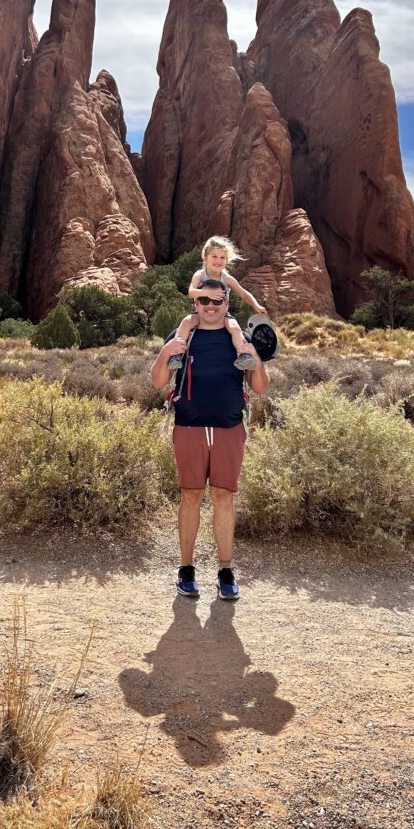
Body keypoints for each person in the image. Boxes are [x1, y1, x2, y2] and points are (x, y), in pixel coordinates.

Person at [151, 278, 269, 601]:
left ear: (227, 305)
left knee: (223, 496)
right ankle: (186, 569)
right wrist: (165, 352)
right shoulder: (183, 336)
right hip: (189, 427)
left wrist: (254, 355)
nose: (211, 307)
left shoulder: (238, 339)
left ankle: (225, 571)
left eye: (218, 302)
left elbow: (259, 387)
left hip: (229, 429)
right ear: (196, 304)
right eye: (205, 301)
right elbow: (158, 381)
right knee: (190, 495)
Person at [168, 236, 267, 373]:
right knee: (186, 322)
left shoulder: (227, 278)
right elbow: (191, 292)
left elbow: (243, 293)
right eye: (214, 256)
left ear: (226, 260)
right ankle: (176, 355)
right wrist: (207, 294)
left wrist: (256, 306)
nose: (218, 261)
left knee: (234, 326)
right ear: (205, 258)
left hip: (222, 314)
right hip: (201, 312)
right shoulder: (199, 274)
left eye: (222, 257)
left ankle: (243, 354)